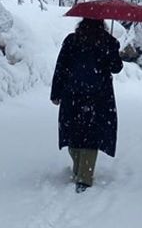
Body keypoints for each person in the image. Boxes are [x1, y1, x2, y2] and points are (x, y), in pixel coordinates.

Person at [50, 17, 124, 192]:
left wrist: (56, 93)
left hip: (72, 94)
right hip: (99, 97)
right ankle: (85, 175)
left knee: (74, 131)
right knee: (92, 135)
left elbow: (61, 67)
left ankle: (78, 168)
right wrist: (111, 47)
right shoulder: (107, 42)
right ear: (102, 24)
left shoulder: (72, 40)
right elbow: (116, 67)